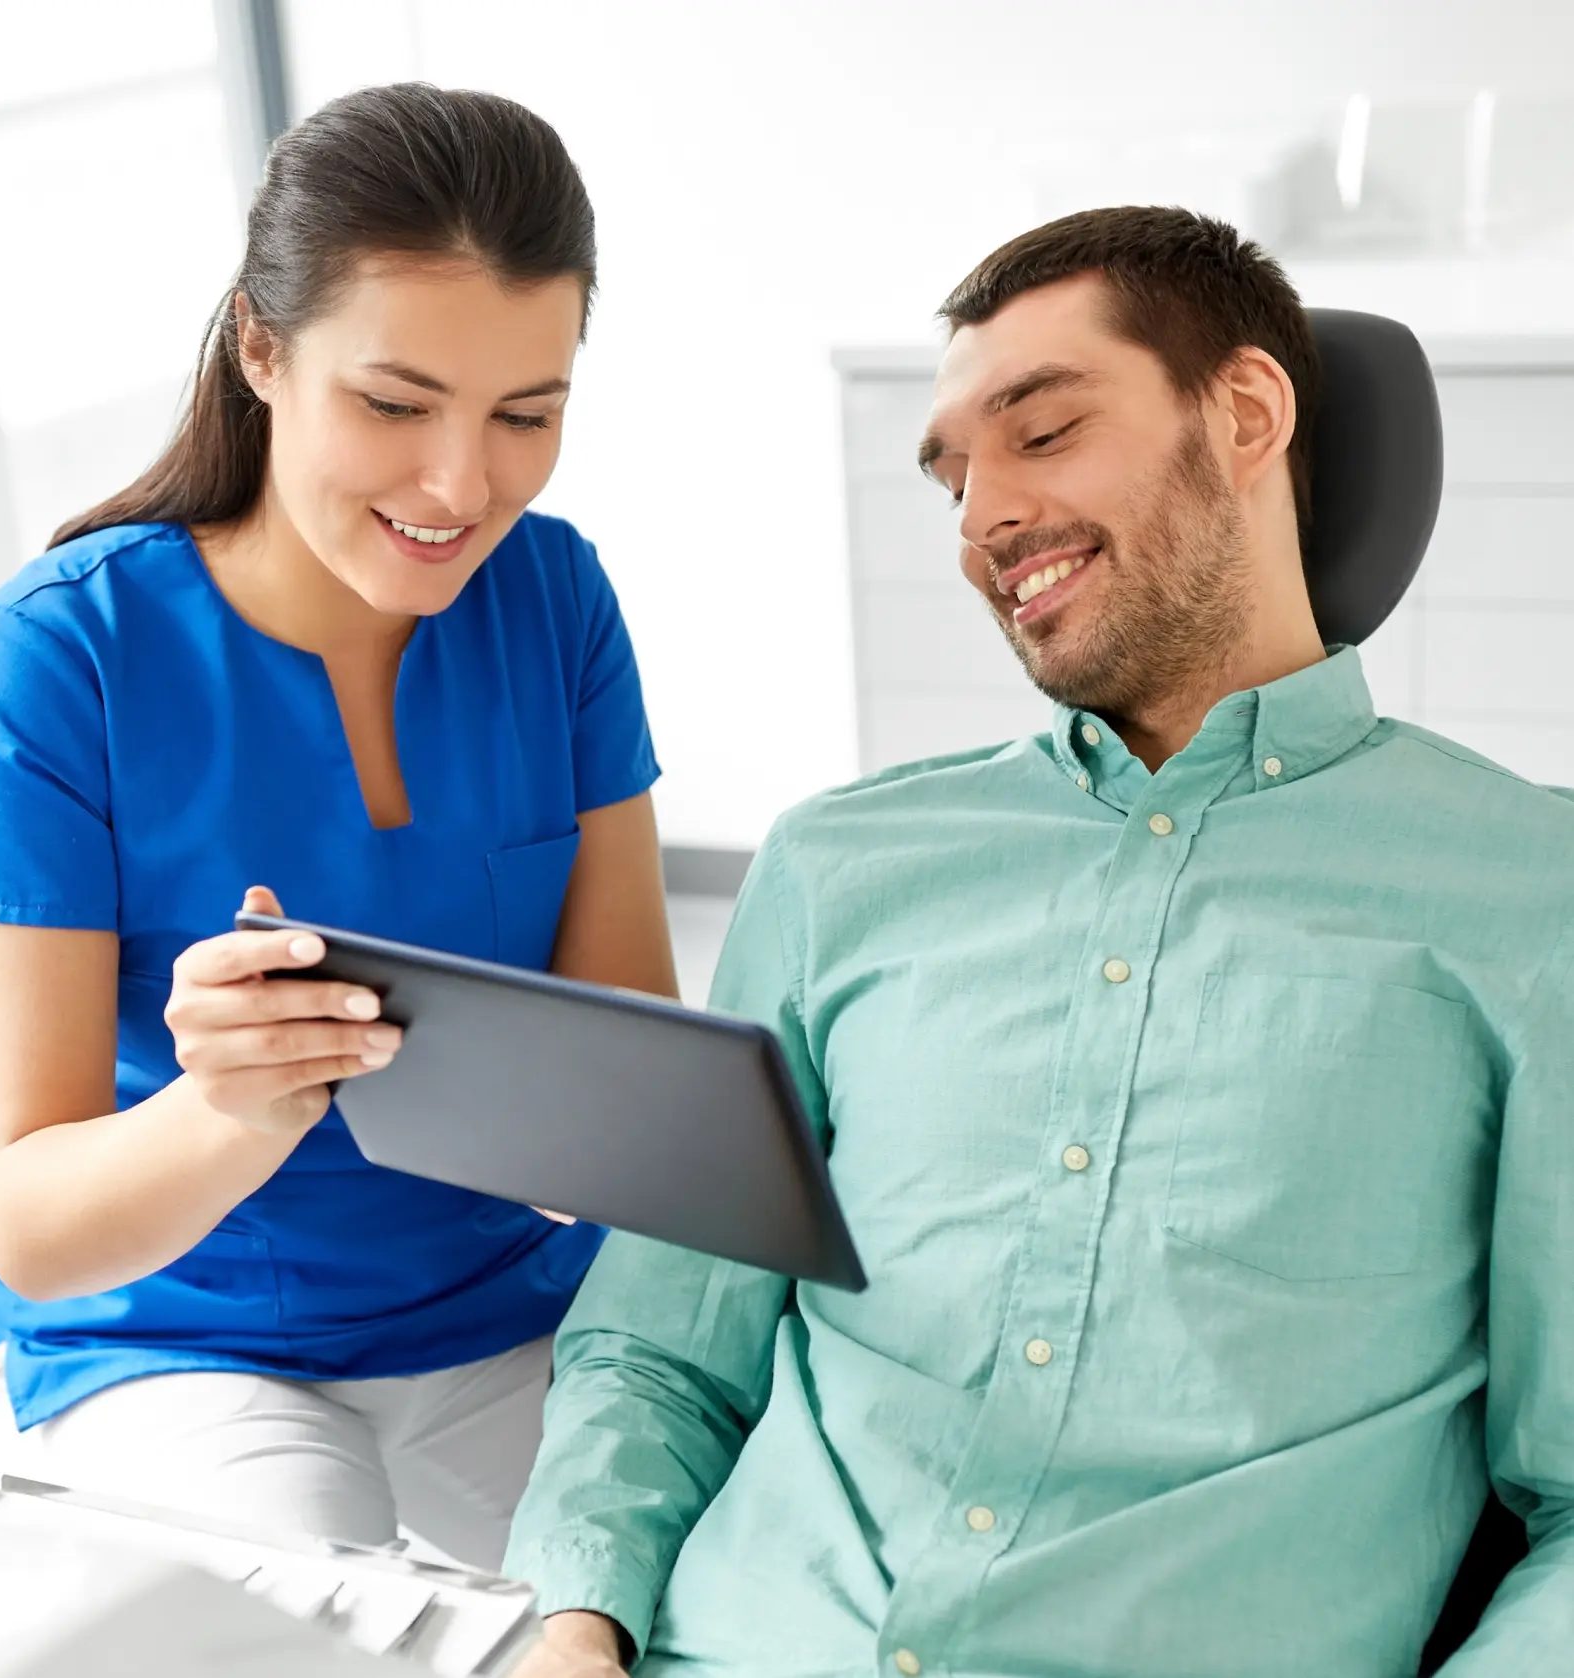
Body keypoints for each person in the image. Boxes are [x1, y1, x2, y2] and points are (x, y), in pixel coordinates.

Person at [502, 208, 1574, 1676]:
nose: (979, 520)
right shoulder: (836, 866)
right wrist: (572, 1624)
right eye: (951, 475)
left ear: (1247, 413)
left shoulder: (1530, 895)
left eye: (1044, 432)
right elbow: (658, 1347)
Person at [0, 84, 676, 1571]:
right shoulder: (57, 659)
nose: (462, 485)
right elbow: (36, 1222)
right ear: (261, 347)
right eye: (393, 404)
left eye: (527, 414)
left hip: (504, 1305)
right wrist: (232, 1107)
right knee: (311, 1631)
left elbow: (627, 1047)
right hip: (165, 1337)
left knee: (698, 1609)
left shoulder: (554, 598)